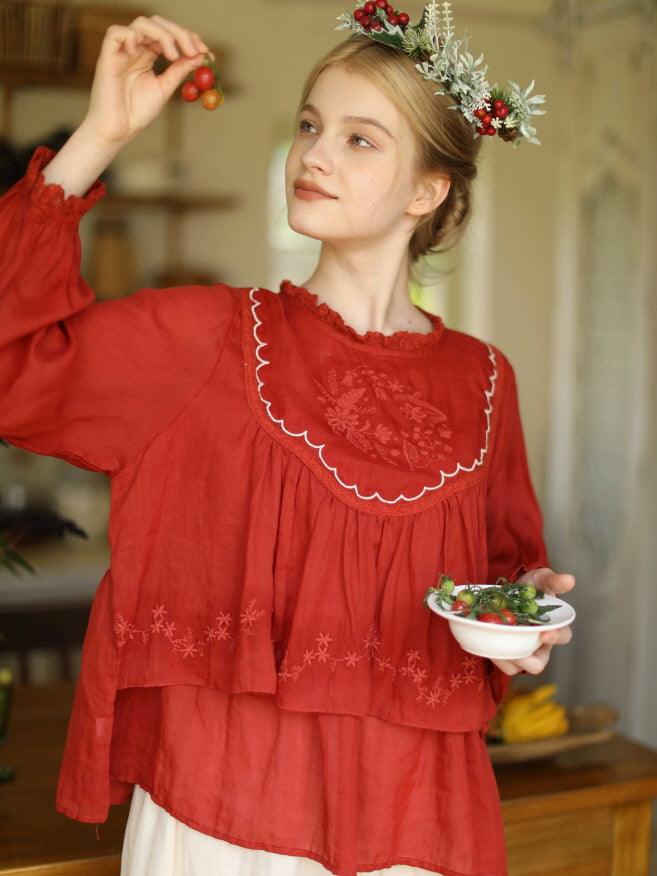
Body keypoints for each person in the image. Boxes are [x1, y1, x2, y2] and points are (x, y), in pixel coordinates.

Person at [0, 4, 574, 875]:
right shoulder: (203, 339)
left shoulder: (484, 380)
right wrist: (99, 134)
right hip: (220, 817)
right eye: (310, 125)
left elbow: (496, 575)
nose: (311, 153)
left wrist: (524, 615)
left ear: (428, 191)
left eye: (358, 139)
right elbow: (14, 362)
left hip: (412, 821)